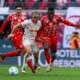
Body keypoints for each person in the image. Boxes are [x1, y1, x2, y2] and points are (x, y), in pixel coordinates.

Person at [35, 7, 80, 72]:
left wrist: (74, 25)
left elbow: (66, 22)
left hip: (54, 37)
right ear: (47, 13)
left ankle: (52, 61)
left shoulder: (58, 17)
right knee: (45, 47)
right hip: (46, 37)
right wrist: (37, 36)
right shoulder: (43, 19)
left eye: (52, 14)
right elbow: (40, 29)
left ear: (54, 13)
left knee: (54, 53)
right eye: (50, 14)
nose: (51, 15)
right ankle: (49, 64)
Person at [0, 4, 35, 73]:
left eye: (20, 10)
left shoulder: (24, 18)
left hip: (22, 37)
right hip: (15, 37)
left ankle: (3, 55)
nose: (18, 11)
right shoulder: (11, 16)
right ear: (15, 10)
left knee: (18, 53)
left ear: (21, 11)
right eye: (17, 10)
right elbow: (4, 23)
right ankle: (32, 68)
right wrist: (0, 31)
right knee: (25, 52)